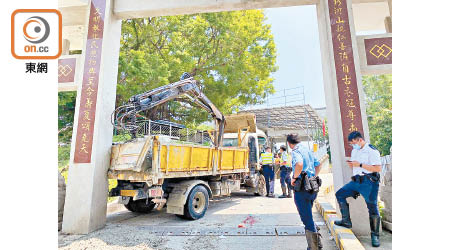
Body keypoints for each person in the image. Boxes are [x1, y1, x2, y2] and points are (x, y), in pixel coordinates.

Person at [334, 131, 382, 247]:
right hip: (356, 181)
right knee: (340, 194)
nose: (352, 145)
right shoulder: (355, 150)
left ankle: (375, 235)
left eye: (354, 143)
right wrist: (353, 164)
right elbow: (355, 165)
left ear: (360, 140)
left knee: (372, 208)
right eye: (351, 144)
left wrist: (359, 165)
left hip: (369, 183)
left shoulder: (371, 150)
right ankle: (346, 221)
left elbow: (378, 168)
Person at [288, 134, 322, 250]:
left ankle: (314, 247)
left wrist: (294, 177)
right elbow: (318, 164)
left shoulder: (295, 151)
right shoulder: (307, 149)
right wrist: (313, 176)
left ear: (289, 143)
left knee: (306, 218)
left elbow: (299, 164)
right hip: (313, 186)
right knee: (308, 215)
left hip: (302, 188)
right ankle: (318, 242)